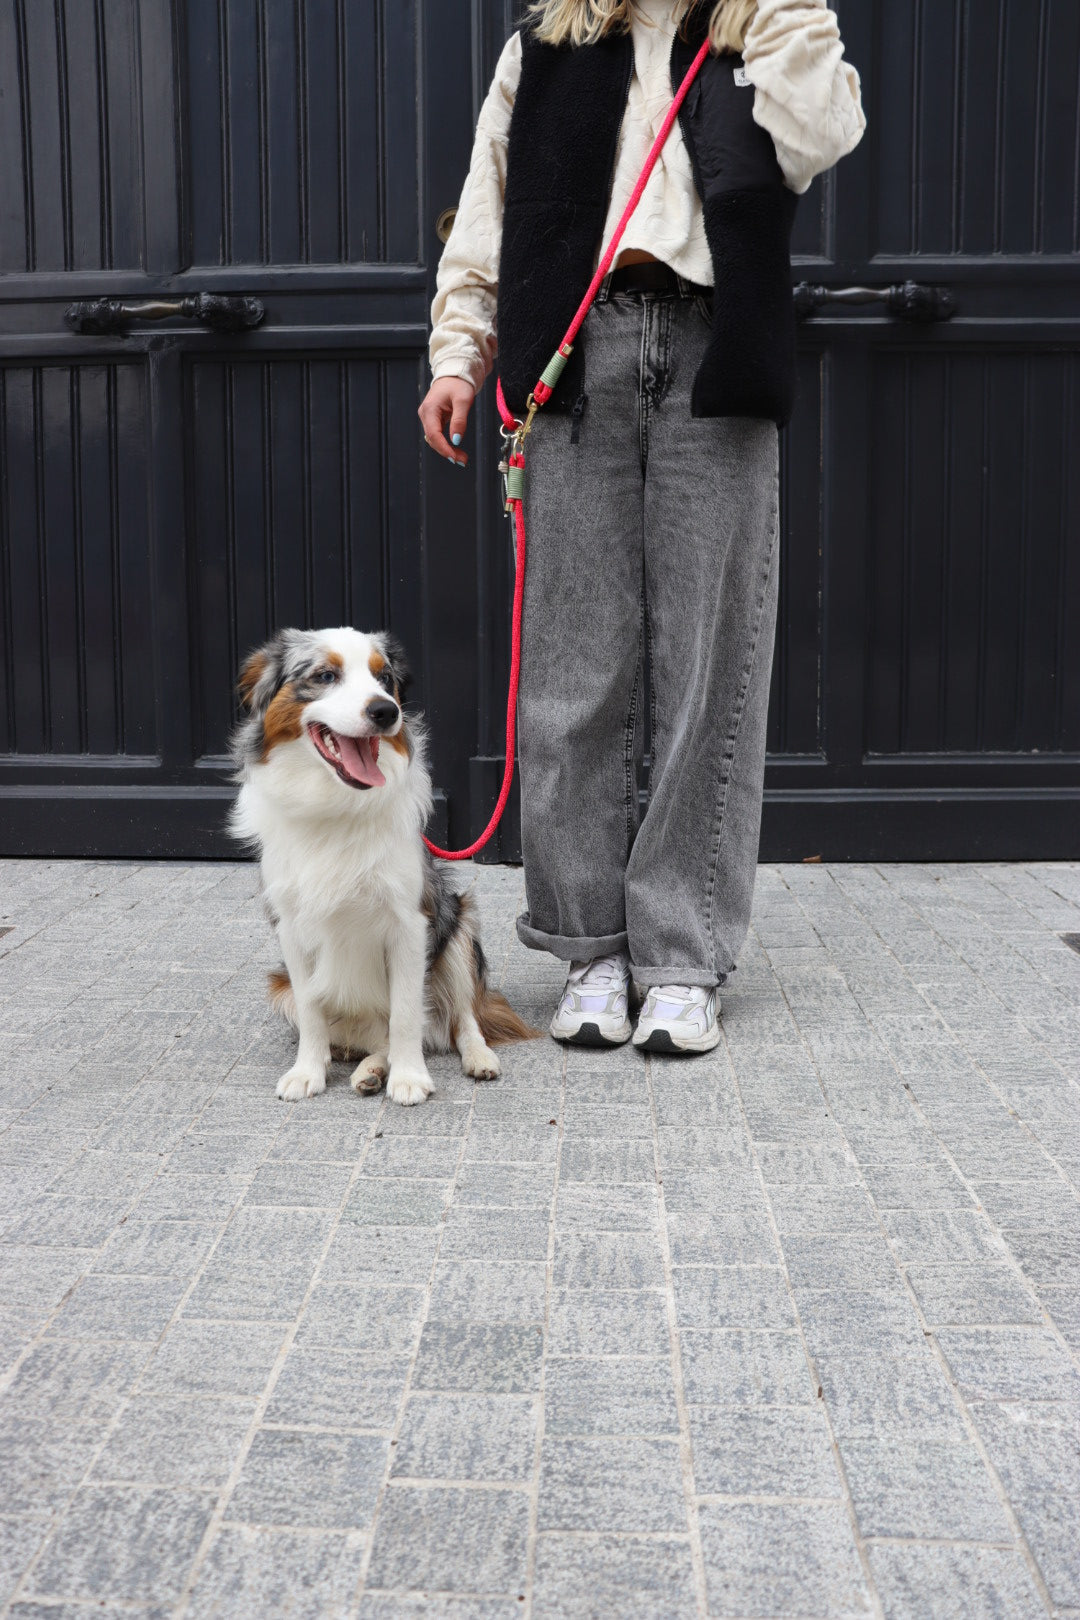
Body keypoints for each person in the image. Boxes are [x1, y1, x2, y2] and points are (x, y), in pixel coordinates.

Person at [418, 0, 864, 1054]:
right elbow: (489, 206)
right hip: (577, 355)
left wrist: (781, 20)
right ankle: (591, 948)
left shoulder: (760, 25)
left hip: (719, 345)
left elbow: (820, 136)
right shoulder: (546, 41)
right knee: (577, 671)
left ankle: (680, 958)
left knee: (709, 666)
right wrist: (457, 352)